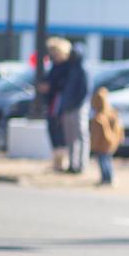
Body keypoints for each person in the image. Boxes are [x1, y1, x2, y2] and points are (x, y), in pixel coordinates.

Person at [41, 37, 89, 173]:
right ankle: (69, 163)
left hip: (74, 107)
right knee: (68, 137)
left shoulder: (78, 69)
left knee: (79, 136)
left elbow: (82, 92)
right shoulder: (60, 68)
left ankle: (79, 165)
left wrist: (72, 105)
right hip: (64, 106)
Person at [89, 86, 124, 186]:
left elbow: (99, 134)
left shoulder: (99, 118)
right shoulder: (112, 113)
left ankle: (107, 178)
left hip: (103, 145)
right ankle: (108, 178)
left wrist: (94, 144)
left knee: (104, 162)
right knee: (107, 161)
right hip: (109, 144)